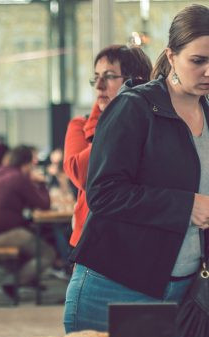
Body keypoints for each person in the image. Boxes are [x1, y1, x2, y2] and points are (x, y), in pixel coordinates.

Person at [64, 4, 209, 333]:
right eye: (198, 61)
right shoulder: (134, 107)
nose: (208, 72)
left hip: (185, 288)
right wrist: (186, 206)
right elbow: (103, 193)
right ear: (171, 56)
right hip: (116, 285)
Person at [63, 44, 152, 247]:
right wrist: (118, 116)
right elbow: (82, 173)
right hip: (90, 241)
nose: (99, 86)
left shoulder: (151, 124)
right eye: (96, 77)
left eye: (109, 76)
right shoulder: (80, 125)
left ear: (135, 81)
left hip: (135, 239)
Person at [0, 145, 56, 296]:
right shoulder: (18, 178)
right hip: (1, 234)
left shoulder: (0, 173)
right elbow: (44, 205)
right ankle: (12, 282)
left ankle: (26, 279)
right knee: (47, 253)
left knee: (33, 239)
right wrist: (41, 183)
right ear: (27, 163)